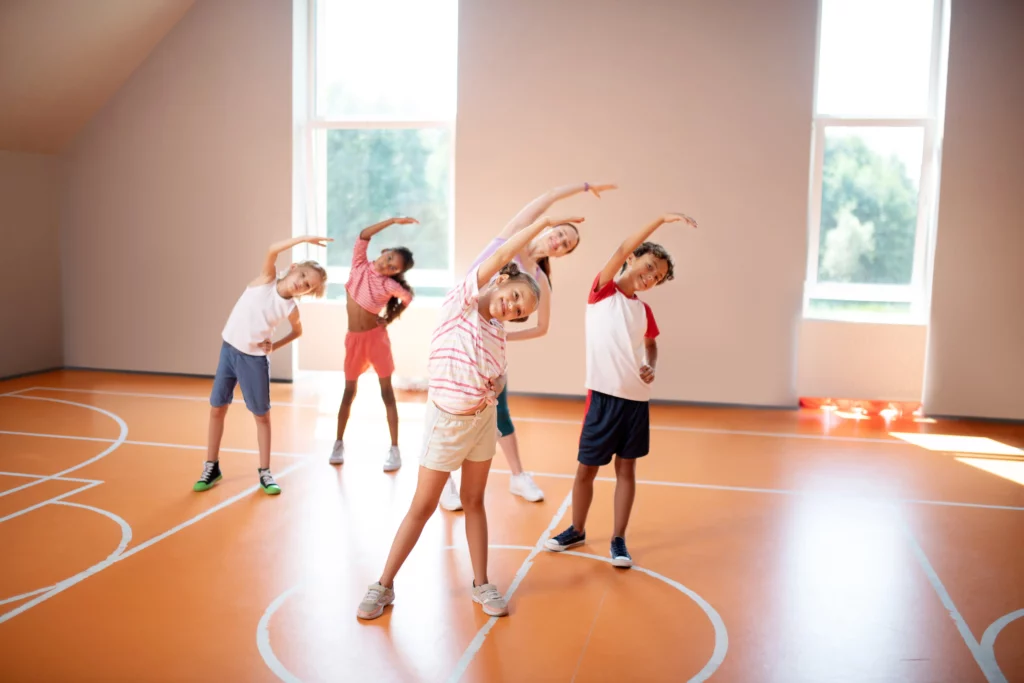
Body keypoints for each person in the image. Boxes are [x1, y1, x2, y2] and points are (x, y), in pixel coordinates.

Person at [356, 213, 584, 620]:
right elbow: (506, 249)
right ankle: (383, 585)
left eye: (519, 312)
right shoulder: (461, 299)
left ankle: (482, 584)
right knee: (422, 507)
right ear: (501, 281)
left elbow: (494, 373)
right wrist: (544, 222)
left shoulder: (497, 330)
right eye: (515, 298)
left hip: (481, 422)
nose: (512, 308)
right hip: (446, 423)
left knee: (474, 501)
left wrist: (493, 390)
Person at [439, 182, 617, 511]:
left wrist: (502, 337)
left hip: (486, 347)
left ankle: (517, 476)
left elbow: (542, 327)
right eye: (562, 233)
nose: (560, 241)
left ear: (561, 254)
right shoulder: (508, 242)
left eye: (566, 244)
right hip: (458, 332)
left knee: (496, 411)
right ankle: (444, 479)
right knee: (450, 410)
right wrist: (583, 187)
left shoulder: (539, 280)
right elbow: (545, 198)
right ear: (550, 228)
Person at [544, 212, 697, 567]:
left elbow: (652, 344)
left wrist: (651, 364)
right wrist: (659, 219)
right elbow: (620, 246)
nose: (649, 277)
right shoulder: (603, 292)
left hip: (636, 402)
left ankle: (618, 540)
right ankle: (577, 529)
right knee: (586, 469)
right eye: (647, 267)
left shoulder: (644, 311)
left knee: (626, 471)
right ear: (632, 258)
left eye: (656, 278)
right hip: (602, 398)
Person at [194, 235, 331, 495]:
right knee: (216, 408)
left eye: (308, 287)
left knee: (261, 416)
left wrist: (274, 346)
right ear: (293, 269)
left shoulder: (290, 308)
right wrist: (304, 239)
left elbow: (297, 332)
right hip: (228, 352)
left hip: (253, 361)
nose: (301, 284)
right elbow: (272, 250)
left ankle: (265, 473)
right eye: (302, 277)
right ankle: (211, 466)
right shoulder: (266, 281)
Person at [328, 217, 417, 472]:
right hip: (354, 341)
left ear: (395, 274)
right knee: (348, 392)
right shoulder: (359, 265)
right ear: (383, 252)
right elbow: (364, 234)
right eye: (389, 258)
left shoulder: (388, 285)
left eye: (393, 268)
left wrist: (388, 318)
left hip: (376, 341)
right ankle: (338, 443)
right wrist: (393, 221)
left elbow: (407, 297)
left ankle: (395, 448)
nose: (387, 265)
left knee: (386, 393)